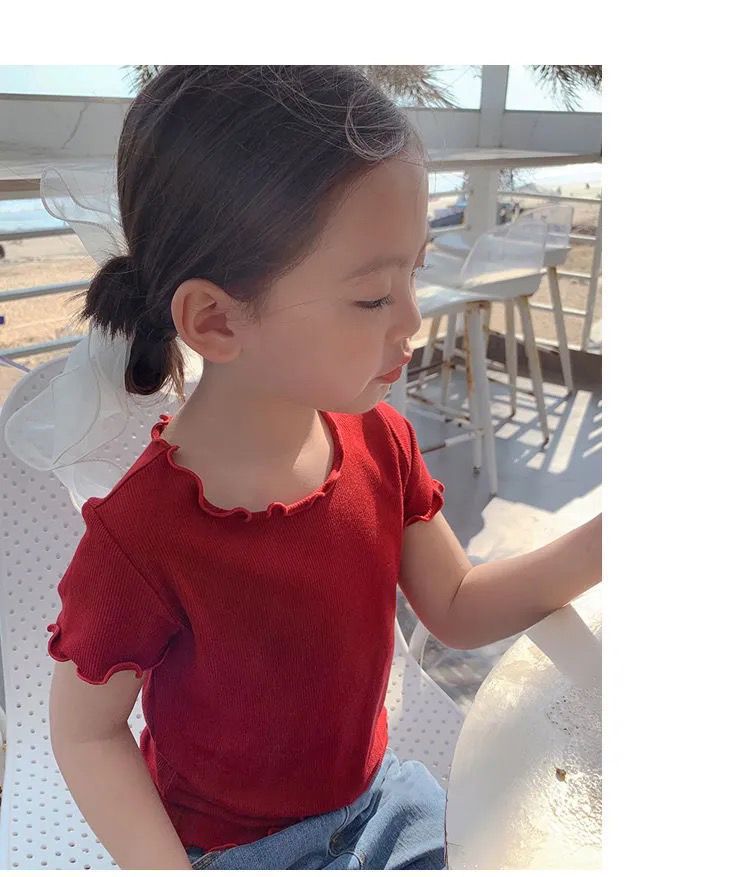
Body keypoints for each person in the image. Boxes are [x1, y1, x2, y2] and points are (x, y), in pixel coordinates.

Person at [46, 65, 602, 871]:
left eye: (415, 271)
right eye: (374, 297)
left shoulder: (381, 442)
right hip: (235, 850)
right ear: (215, 319)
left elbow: (455, 603)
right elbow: (86, 729)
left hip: (383, 810)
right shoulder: (143, 534)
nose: (413, 318)